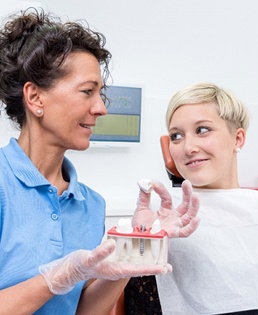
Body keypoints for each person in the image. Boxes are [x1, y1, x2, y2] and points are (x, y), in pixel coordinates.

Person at [0, 8, 200, 314]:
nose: (101, 108)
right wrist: (57, 277)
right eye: (87, 92)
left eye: (100, 94)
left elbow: (85, 311)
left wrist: (134, 247)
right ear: (36, 98)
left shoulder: (91, 205)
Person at [150, 82, 258, 314]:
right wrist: (143, 241)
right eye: (176, 136)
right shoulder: (160, 221)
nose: (188, 147)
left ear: (238, 139)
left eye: (202, 130)